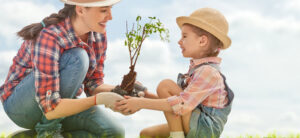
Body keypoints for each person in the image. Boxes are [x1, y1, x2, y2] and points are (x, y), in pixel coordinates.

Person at [0, 0, 129, 137]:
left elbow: (93, 83)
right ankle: (48, 132)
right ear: (80, 10)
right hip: (21, 107)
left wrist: (121, 91)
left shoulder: (98, 34)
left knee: (113, 132)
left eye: (110, 9)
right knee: (77, 57)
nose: (110, 16)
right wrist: (98, 100)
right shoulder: (49, 36)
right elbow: (50, 107)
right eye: (103, 10)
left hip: (60, 103)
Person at [115, 8, 234, 138]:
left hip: (204, 128)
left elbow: (181, 104)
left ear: (202, 41)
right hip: (195, 122)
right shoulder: (198, 70)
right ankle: (176, 134)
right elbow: (174, 104)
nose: (179, 41)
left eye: (184, 36)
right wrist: (146, 95)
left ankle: (176, 135)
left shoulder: (208, 72)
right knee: (146, 134)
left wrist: (139, 103)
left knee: (165, 85)